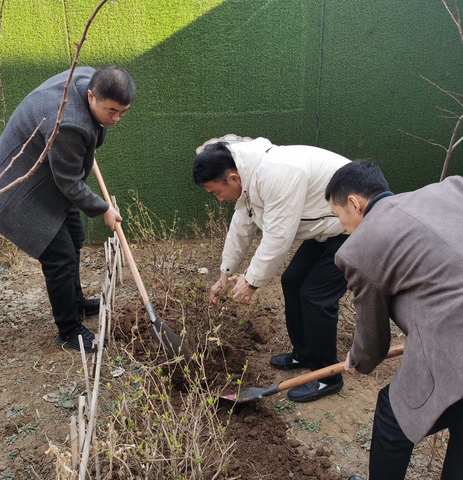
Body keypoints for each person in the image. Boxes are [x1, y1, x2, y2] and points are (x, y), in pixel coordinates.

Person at [325, 161, 463, 480]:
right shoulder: (451, 188)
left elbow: (373, 342)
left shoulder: (360, 246)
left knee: (392, 415)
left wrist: (359, 359)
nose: (342, 226)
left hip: (455, 349)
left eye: (338, 216)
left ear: (354, 203)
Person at [0, 66, 135, 353]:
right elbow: (68, 181)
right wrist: (103, 209)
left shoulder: (86, 78)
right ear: (91, 96)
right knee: (60, 257)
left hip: (42, 174)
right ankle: (68, 331)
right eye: (111, 111)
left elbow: (68, 172)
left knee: (75, 237)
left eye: (122, 113)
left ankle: (75, 303)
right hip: (21, 187)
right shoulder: (70, 124)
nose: (115, 119)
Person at [193, 135, 351, 402]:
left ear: (232, 178)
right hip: (324, 228)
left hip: (352, 227)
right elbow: (241, 228)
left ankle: (327, 377)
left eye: (216, 193)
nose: (219, 200)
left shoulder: (278, 172)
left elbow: (279, 236)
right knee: (292, 281)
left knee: (316, 296)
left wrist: (252, 281)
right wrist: (225, 275)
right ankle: (304, 353)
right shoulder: (249, 177)